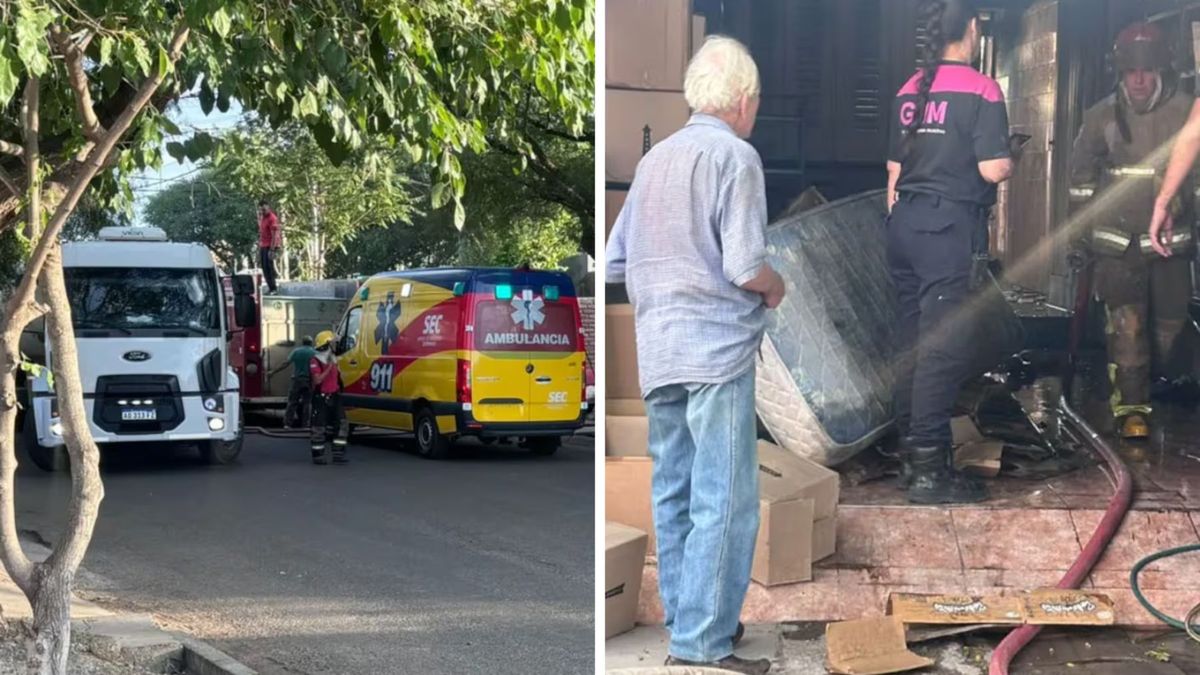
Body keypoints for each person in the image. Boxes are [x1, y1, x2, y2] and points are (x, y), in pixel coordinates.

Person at [605, 35, 785, 675]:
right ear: (741, 98)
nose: (756, 111)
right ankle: (707, 642)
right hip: (717, 355)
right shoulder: (735, 157)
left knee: (675, 494)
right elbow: (744, 266)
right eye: (757, 100)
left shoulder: (656, 162)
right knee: (726, 499)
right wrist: (775, 284)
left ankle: (691, 626)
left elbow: (617, 261)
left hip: (660, 352)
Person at [886, 0, 1012, 504]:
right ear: (973, 29)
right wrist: (1011, 155)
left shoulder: (908, 90)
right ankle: (927, 473)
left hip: (904, 227)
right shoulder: (982, 89)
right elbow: (993, 169)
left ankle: (904, 451)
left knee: (910, 339)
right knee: (941, 348)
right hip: (946, 228)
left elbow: (893, 174)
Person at [1073, 22, 1195, 439]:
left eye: (1147, 71)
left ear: (1162, 70)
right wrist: (1080, 236)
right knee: (1128, 327)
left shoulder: (1186, 114)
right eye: (1131, 72)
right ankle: (1132, 410)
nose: (1139, 81)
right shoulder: (1100, 118)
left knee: (1169, 329)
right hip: (1116, 245)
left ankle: (1161, 381)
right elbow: (1080, 183)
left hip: (1170, 245)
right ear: (1120, 73)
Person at [309, 331, 349, 465]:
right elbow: (317, 380)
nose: (334, 345)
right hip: (321, 398)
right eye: (332, 343)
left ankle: (338, 453)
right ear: (326, 344)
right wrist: (329, 367)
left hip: (335, 395)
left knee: (342, 424)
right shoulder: (315, 361)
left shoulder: (333, 357)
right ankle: (318, 455)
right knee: (319, 427)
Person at [275, 336, 315, 429]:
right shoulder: (314, 353)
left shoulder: (296, 351)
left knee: (292, 402)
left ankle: (287, 424)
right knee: (308, 403)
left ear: (302, 342)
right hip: (309, 381)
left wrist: (273, 372)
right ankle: (306, 424)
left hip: (296, 380)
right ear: (311, 343)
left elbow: (285, 363)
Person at [258, 199, 281, 293]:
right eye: (261, 210)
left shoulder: (272, 218)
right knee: (264, 267)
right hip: (263, 245)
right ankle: (270, 287)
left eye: (264, 210)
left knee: (269, 267)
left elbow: (274, 235)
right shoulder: (263, 218)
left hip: (270, 245)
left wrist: (272, 249)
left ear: (268, 208)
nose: (263, 212)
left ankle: (274, 288)